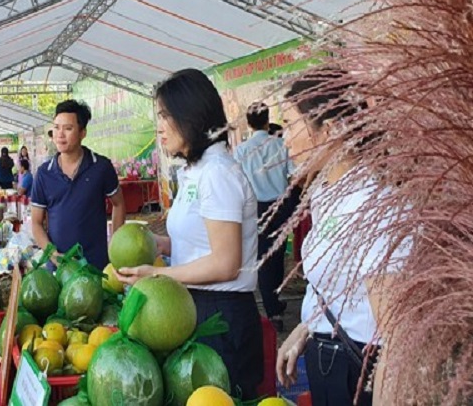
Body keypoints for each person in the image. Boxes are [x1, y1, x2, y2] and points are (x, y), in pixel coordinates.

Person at [115, 69, 263, 400]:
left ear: (191, 115)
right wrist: (154, 244)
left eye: (166, 115)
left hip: (221, 316)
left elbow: (226, 263)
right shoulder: (196, 172)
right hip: (191, 307)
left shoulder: (218, 175)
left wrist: (158, 274)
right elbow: (200, 243)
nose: (160, 126)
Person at [275, 73, 409, 406]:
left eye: (290, 124)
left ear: (331, 129)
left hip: (364, 378)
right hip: (328, 366)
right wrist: (305, 327)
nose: (285, 140)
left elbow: (395, 337)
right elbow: (335, 285)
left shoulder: (374, 204)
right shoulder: (325, 192)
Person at [31, 100, 126, 270]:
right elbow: (36, 223)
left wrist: (116, 245)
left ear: (83, 133)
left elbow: (119, 203)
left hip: (95, 265)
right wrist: (52, 254)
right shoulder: (44, 173)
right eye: (56, 127)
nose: (60, 134)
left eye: (68, 128)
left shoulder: (101, 167)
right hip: (58, 268)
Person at [233, 102, 296, 331]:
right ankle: (274, 305)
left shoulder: (241, 151)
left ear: (248, 124)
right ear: (268, 120)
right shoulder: (281, 145)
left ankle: (273, 307)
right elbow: (294, 174)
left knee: (262, 256)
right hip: (281, 206)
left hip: (256, 208)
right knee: (277, 253)